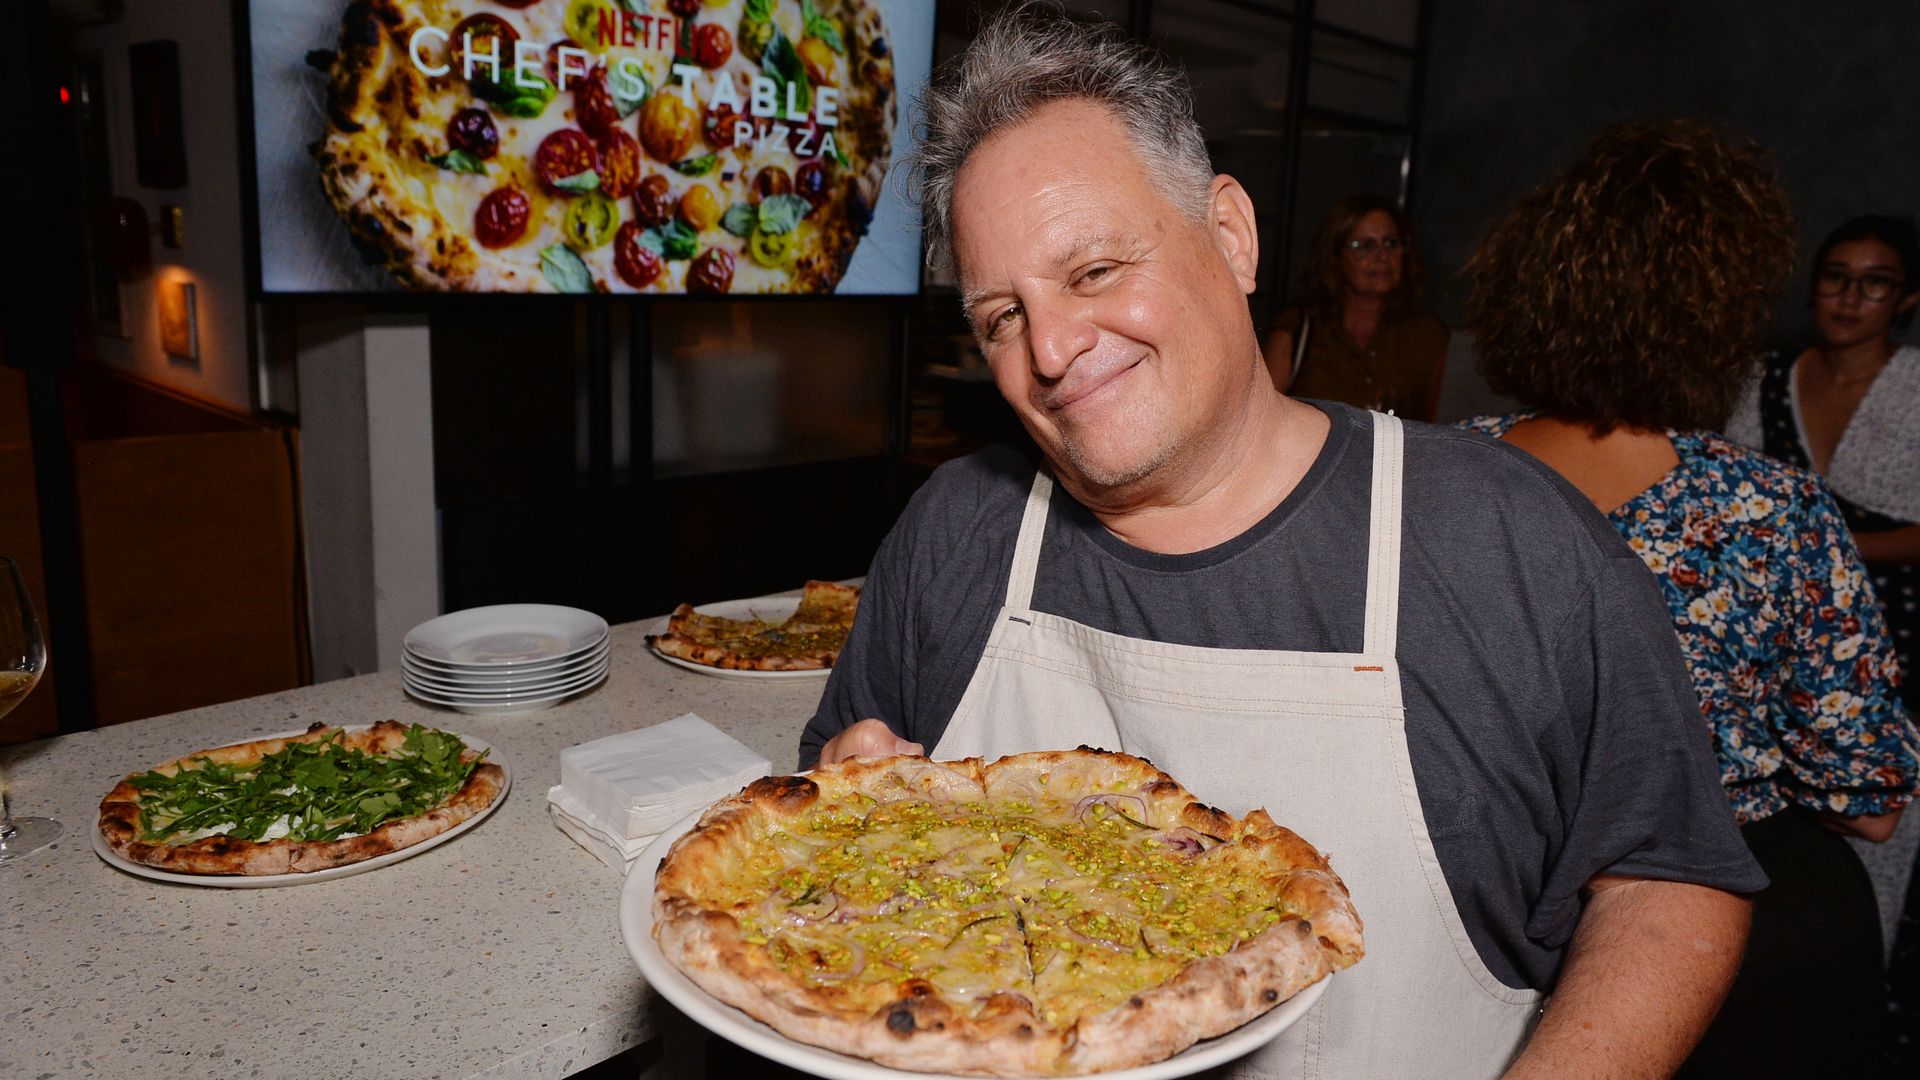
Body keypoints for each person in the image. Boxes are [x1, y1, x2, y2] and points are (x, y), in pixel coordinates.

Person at [801, 9, 1763, 1078]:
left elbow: (1666, 882)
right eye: (1001, 318)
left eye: (1094, 272)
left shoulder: (1507, 539)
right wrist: (855, 809)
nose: (1056, 349)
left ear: (1231, 235)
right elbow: (837, 778)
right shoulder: (958, 529)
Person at [1459, 122, 1918, 1079]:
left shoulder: (1429, 479)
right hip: (1730, 942)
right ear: (1715, 318)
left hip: (1480, 908)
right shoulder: (1767, 507)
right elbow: (1869, 797)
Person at [1724, 216, 1920, 1071]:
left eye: (1874, 282)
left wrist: (1822, 545)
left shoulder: (1915, 386)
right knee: (1776, 824)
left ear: (1905, 299)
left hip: (1896, 635)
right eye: (1837, 276)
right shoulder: (1766, 378)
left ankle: (1863, 1011)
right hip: (1771, 640)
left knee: (1882, 819)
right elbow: (1721, 502)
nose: (1850, 296)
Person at [1260, 195, 1448, 420]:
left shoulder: (1427, 334)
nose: (1382, 256)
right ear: (1336, 256)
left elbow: (1441, 427)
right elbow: (1262, 418)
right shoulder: (1299, 328)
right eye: (1365, 246)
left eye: (1391, 243)